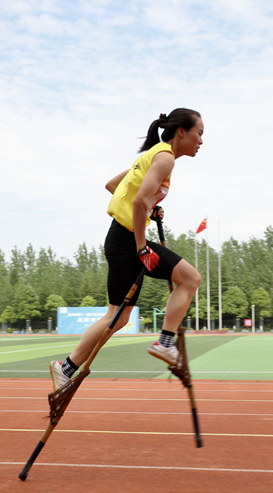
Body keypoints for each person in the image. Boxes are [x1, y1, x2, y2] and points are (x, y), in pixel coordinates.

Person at [50, 108, 204, 390]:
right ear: (182, 131)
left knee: (117, 316)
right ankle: (165, 342)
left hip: (120, 238)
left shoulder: (151, 155)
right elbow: (136, 202)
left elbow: (113, 186)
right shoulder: (165, 158)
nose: (201, 141)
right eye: (199, 133)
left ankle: (65, 367)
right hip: (130, 240)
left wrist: (150, 209)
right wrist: (142, 246)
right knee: (190, 278)